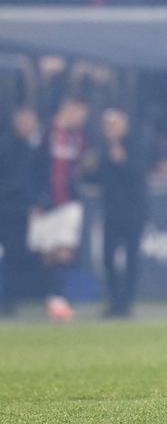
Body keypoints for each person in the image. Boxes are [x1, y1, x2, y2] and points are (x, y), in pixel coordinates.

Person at [29, 97, 89, 322]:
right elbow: (33, 165)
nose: (80, 120)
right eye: (78, 114)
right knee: (46, 253)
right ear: (66, 110)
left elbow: (81, 165)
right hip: (44, 201)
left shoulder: (79, 137)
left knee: (65, 249)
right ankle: (51, 298)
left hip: (68, 202)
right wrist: (35, 198)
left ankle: (60, 299)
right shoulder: (45, 132)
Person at [95, 109, 148, 317]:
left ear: (124, 125)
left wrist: (122, 160)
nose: (110, 129)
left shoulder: (135, 145)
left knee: (131, 258)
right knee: (108, 257)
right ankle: (114, 301)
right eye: (107, 125)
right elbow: (98, 177)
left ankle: (126, 303)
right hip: (111, 211)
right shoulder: (101, 149)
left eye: (114, 124)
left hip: (134, 211)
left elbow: (138, 172)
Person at [0, 108, 41, 316]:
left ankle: (11, 301)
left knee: (15, 255)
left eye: (31, 122)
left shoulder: (32, 147)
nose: (28, 127)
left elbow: (33, 179)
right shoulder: (5, 145)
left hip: (19, 210)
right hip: (6, 207)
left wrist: (34, 202)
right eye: (24, 122)